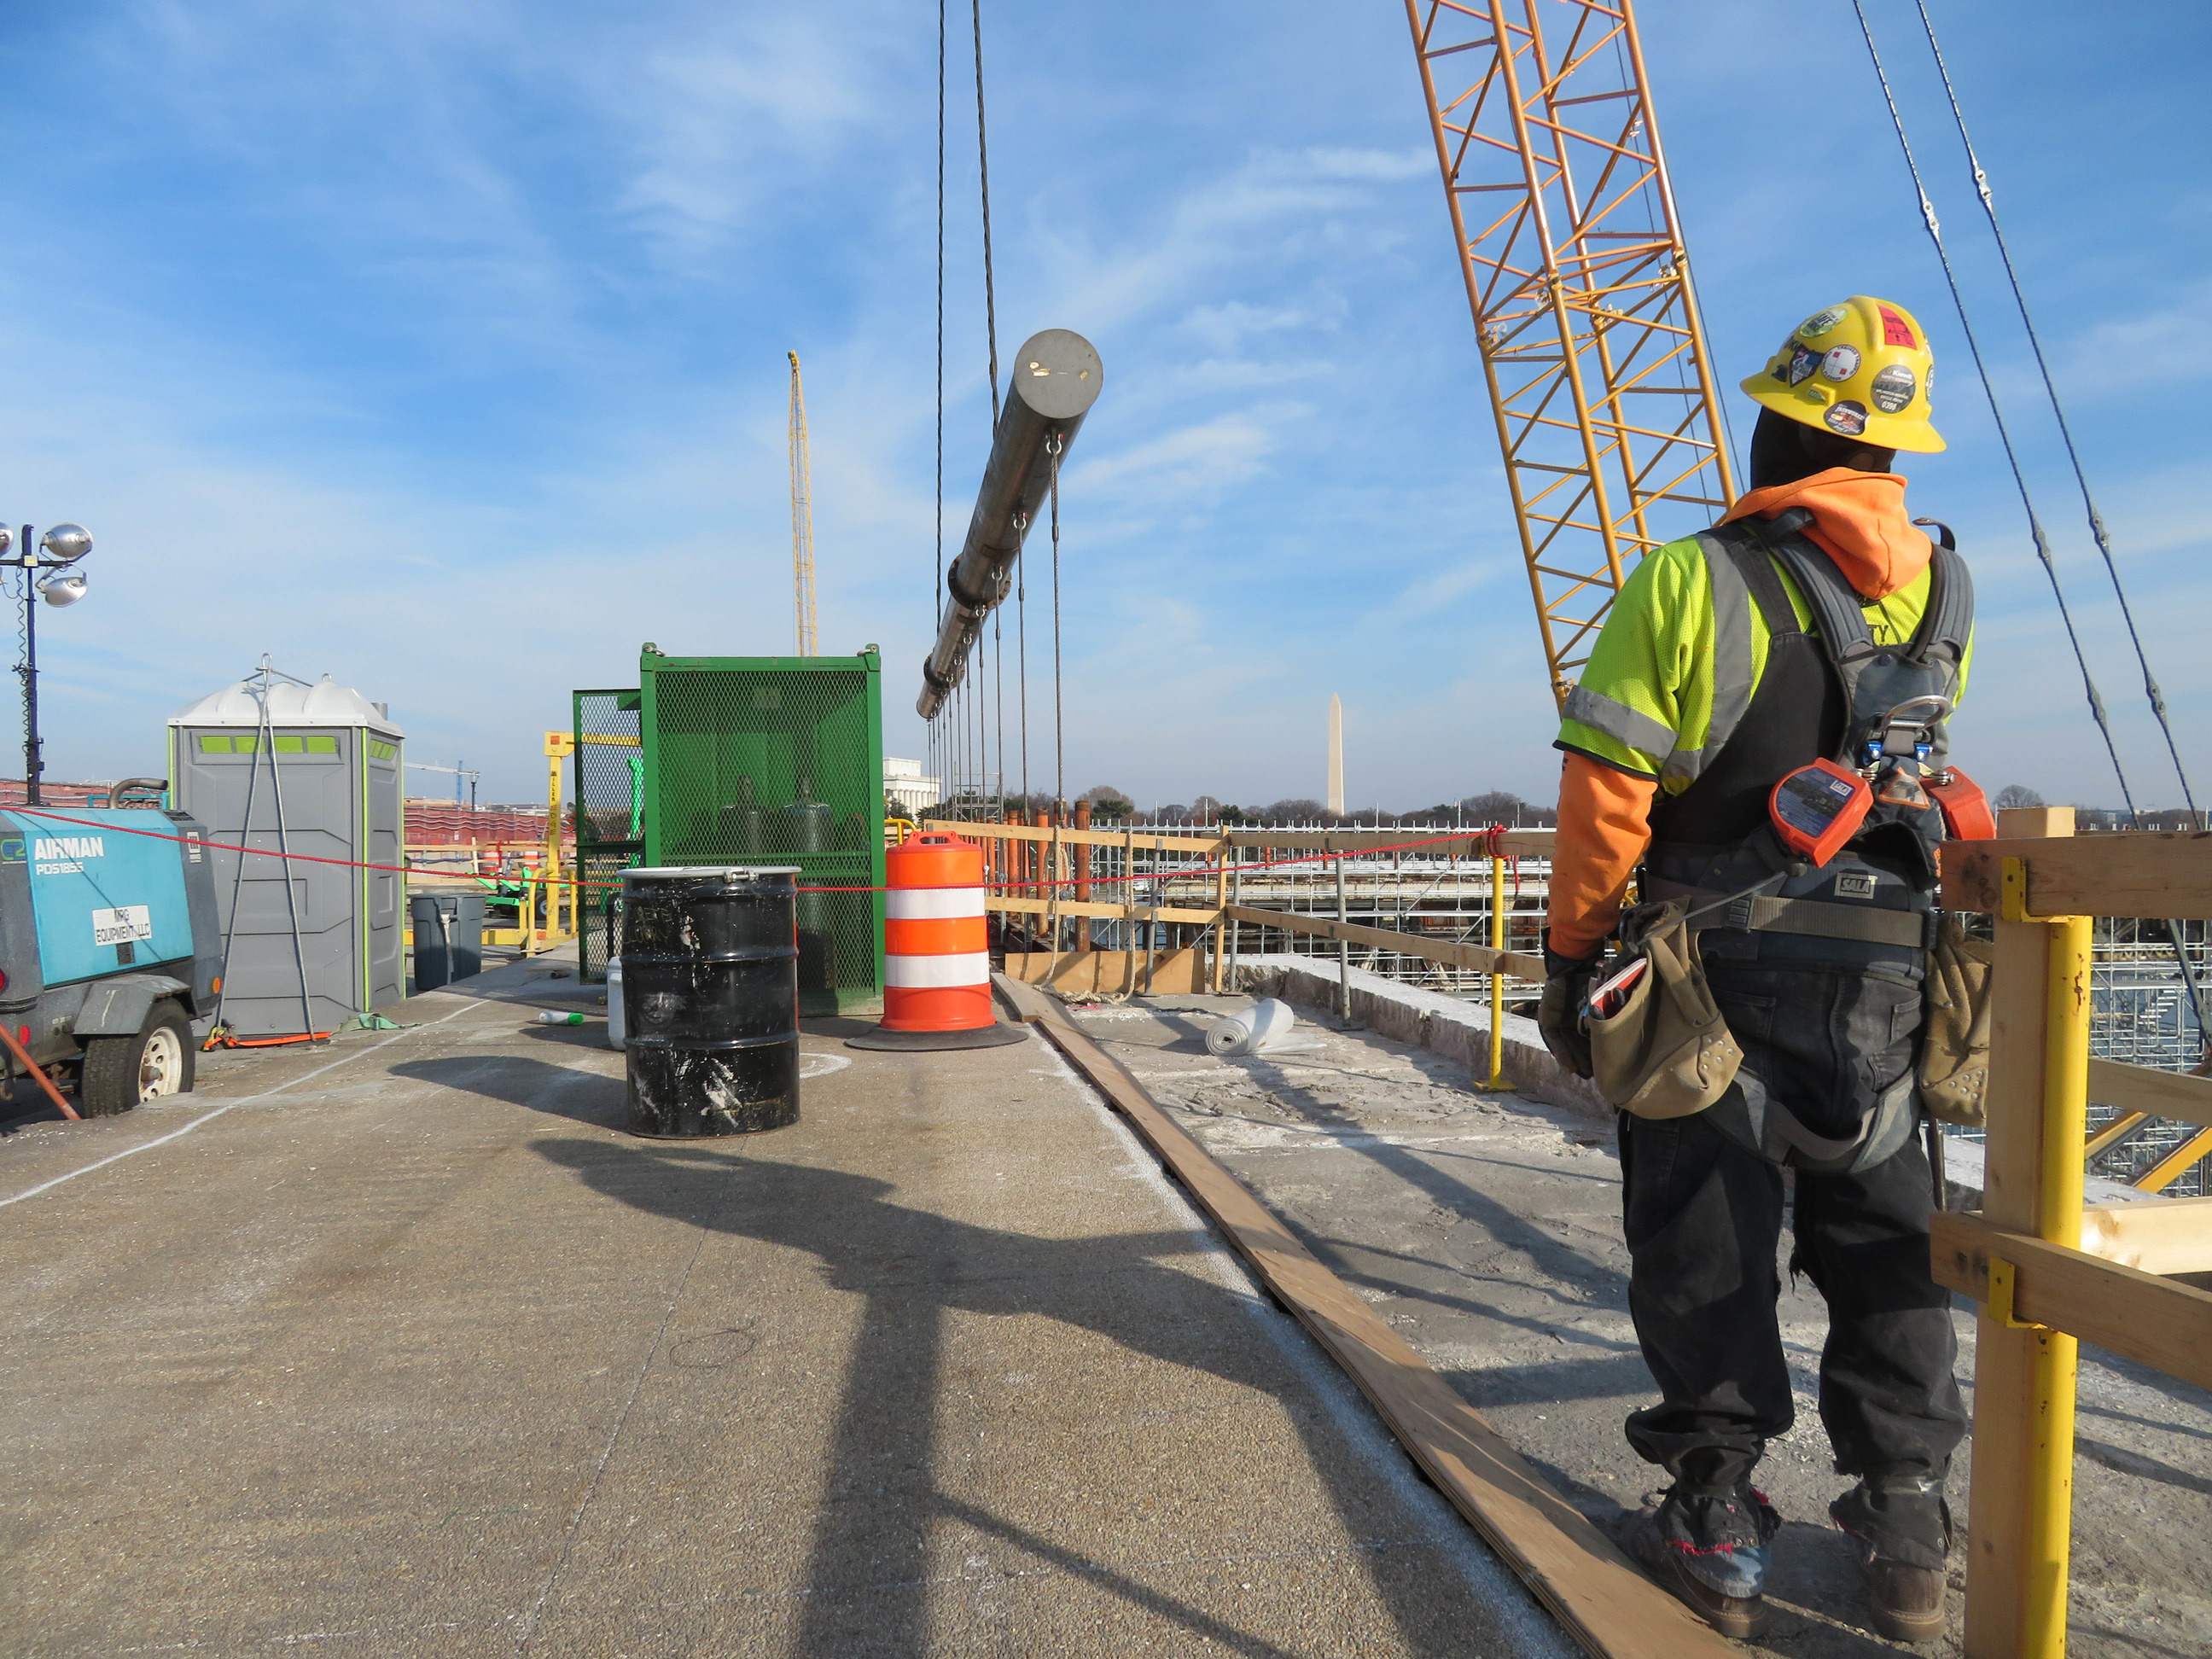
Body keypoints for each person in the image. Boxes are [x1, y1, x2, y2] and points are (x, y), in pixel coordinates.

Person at [1538, 295, 1970, 1644]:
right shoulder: (1947, 589)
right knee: (1882, 1231)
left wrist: (1569, 962)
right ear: (1899, 454)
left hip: (1710, 969)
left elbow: (1608, 795)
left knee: (1707, 1233)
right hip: (1890, 981)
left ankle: (1715, 1518)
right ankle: (1906, 1523)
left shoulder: (1692, 578)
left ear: (1778, 424)